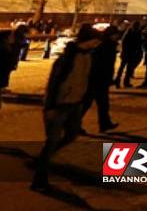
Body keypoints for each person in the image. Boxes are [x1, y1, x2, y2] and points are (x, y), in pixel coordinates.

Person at [31, 25, 101, 191]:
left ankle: (43, 159)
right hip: (59, 105)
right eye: (95, 41)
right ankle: (39, 177)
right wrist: (50, 106)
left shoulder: (88, 56)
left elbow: (85, 78)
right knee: (52, 141)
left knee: (71, 135)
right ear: (87, 40)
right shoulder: (68, 58)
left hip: (75, 103)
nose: (97, 44)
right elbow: (54, 83)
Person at [81, 25, 120, 133]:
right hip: (98, 78)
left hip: (101, 78)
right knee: (89, 102)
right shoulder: (104, 46)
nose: (117, 36)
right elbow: (101, 64)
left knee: (102, 103)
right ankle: (74, 124)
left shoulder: (109, 45)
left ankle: (104, 123)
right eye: (116, 34)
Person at [115, 20, 144, 88]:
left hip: (127, 52)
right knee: (128, 68)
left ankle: (118, 81)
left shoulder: (129, 31)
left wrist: (124, 51)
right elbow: (139, 43)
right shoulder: (138, 33)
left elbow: (124, 41)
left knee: (122, 67)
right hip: (132, 53)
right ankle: (125, 82)